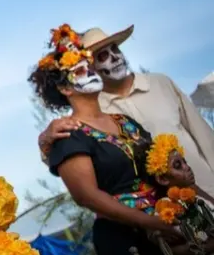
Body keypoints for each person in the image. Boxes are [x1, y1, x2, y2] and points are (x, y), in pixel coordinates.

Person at [29, 24, 212, 255]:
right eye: (81, 69)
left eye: (89, 64)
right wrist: (152, 223)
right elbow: (88, 197)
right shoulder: (68, 134)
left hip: (172, 223)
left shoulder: (123, 120)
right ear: (66, 87)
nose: (94, 70)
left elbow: (153, 170)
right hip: (129, 240)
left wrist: (185, 184)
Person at [37, 25, 214, 194]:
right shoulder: (96, 112)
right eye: (102, 56)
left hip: (208, 187)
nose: (114, 57)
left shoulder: (160, 83)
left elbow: (202, 133)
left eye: (115, 49)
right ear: (90, 68)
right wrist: (45, 140)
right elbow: (69, 153)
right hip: (168, 210)